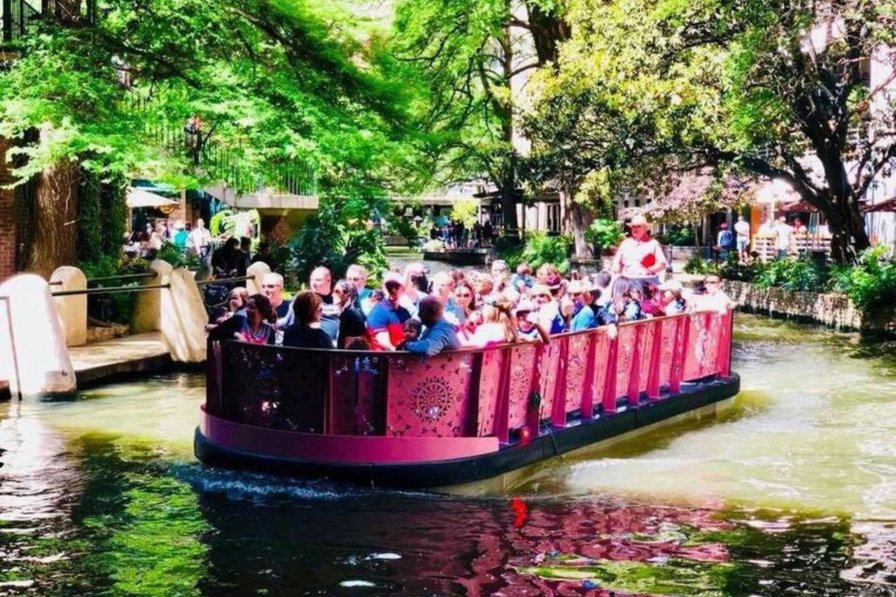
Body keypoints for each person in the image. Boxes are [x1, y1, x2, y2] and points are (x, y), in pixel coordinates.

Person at [611, 214, 667, 287]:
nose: (635, 229)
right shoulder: (625, 243)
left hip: (646, 281)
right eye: (633, 226)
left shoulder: (653, 244)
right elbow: (616, 262)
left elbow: (662, 264)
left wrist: (649, 270)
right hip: (628, 281)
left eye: (638, 226)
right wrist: (616, 267)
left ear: (645, 228)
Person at [207, 293, 277, 345]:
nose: (247, 310)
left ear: (262, 312)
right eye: (247, 306)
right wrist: (235, 334)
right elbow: (215, 331)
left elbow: (271, 355)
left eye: (252, 307)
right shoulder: (239, 320)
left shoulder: (269, 331)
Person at [366, 273, 412, 351]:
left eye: (396, 286)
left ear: (403, 289)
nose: (393, 290)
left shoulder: (405, 313)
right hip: (382, 357)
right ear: (383, 288)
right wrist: (400, 354)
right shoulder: (378, 313)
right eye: (389, 286)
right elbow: (385, 344)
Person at [309, 267, 340, 346]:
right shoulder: (306, 299)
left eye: (318, 280)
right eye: (312, 280)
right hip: (313, 345)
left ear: (328, 281)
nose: (313, 283)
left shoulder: (338, 298)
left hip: (336, 345)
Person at [333, 279, 367, 348]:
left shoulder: (351, 314)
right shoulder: (346, 312)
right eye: (333, 291)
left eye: (337, 292)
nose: (333, 295)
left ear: (348, 295)